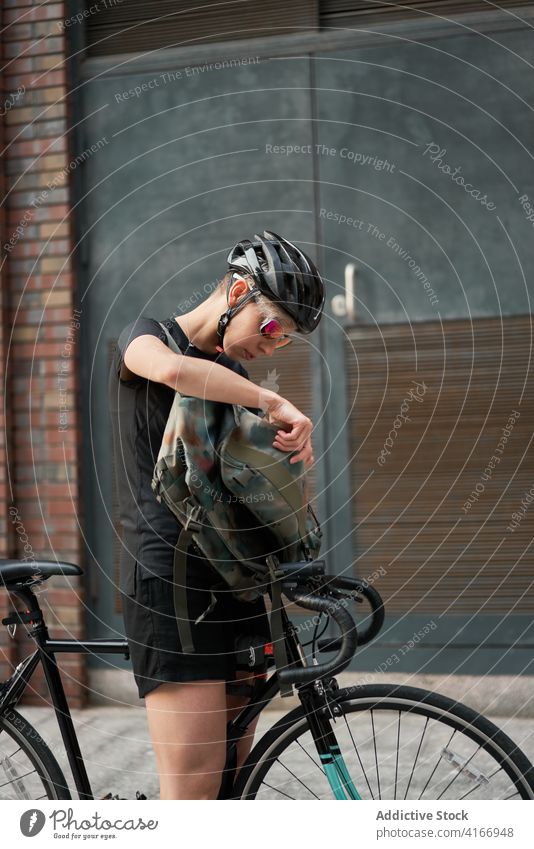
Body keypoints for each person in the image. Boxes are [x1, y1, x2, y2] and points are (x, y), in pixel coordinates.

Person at [108, 230, 325, 799]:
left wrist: (289, 470)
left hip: (233, 585)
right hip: (169, 583)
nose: (274, 347)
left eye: (287, 342)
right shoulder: (146, 337)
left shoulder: (240, 383)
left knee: (232, 787)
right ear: (236, 292)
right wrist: (271, 401)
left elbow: (246, 495)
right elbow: (176, 373)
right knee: (194, 798)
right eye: (273, 327)